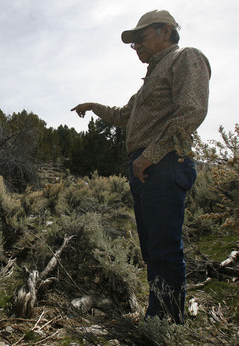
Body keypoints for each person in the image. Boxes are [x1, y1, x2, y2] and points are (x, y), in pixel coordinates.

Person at [71, 9, 211, 324]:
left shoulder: (186, 58)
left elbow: (192, 111)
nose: (136, 47)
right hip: (146, 168)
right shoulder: (151, 79)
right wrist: (93, 107)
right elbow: (123, 115)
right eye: (133, 43)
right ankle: (157, 318)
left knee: (163, 249)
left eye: (141, 38)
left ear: (166, 31)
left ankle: (166, 325)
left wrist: (153, 153)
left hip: (163, 163)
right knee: (152, 251)